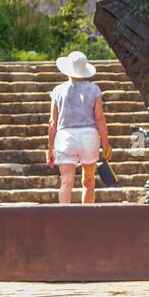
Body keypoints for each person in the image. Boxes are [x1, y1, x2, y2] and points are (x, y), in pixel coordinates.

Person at [47, 51, 111, 205]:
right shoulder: (94, 90)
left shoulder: (58, 91)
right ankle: (86, 221)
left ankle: (63, 220)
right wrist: (106, 143)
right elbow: (100, 118)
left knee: (66, 182)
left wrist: (50, 147)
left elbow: (52, 121)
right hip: (89, 136)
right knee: (88, 181)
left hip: (65, 136)